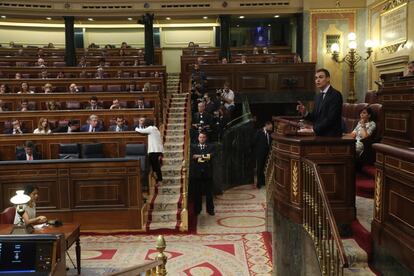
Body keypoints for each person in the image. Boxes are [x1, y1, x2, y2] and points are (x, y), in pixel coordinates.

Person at [296, 68, 343, 137]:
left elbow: (331, 118)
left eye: (321, 77)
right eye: (316, 78)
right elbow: (315, 117)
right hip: (319, 134)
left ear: (328, 79)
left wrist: (313, 129)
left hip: (331, 136)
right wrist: (305, 112)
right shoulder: (318, 96)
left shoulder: (335, 95)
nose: (317, 80)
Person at [190, 132, 215, 215]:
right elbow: (193, 157)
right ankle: (197, 210)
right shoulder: (193, 147)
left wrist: (199, 156)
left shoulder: (211, 146)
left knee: (209, 193)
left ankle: (210, 210)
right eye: (200, 137)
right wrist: (205, 157)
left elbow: (211, 156)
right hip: (197, 173)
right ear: (198, 138)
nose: (202, 139)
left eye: (203, 137)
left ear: (206, 138)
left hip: (208, 173)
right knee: (197, 193)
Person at [135, 119, 163, 186]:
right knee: (153, 165)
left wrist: (136, 128)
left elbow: (140, 131)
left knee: (156, 166)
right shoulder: (154, 128)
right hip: (156, 150)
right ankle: (156, 178)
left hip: (154, 150)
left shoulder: (151, 129)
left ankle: (159, 180)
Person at [252, 121, 273, 189]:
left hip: (266, 154)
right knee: (259, 168)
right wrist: (257, 151)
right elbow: (254, 142)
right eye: (270, 127)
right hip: (260, 154)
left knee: (264, 168)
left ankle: (264, 182)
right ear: (266, 125)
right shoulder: (259, 132)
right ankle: (259, 183)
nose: (271, 129)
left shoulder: (269, 134)